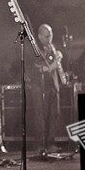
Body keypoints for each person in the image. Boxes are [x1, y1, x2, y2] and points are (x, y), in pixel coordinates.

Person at [30, 23, 65, 154]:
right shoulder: (36, 50)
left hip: (53, 85)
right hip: (40, 86)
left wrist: (59, 57)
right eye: (46, 35)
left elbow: (55, 66)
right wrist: (53, 65)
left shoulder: (53, 47)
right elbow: (39, 68)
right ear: (39, 36)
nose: (49, 37)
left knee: (53, 114)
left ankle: (50, 144)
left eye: (50, 34)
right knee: (40, 115)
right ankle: (40, 145)